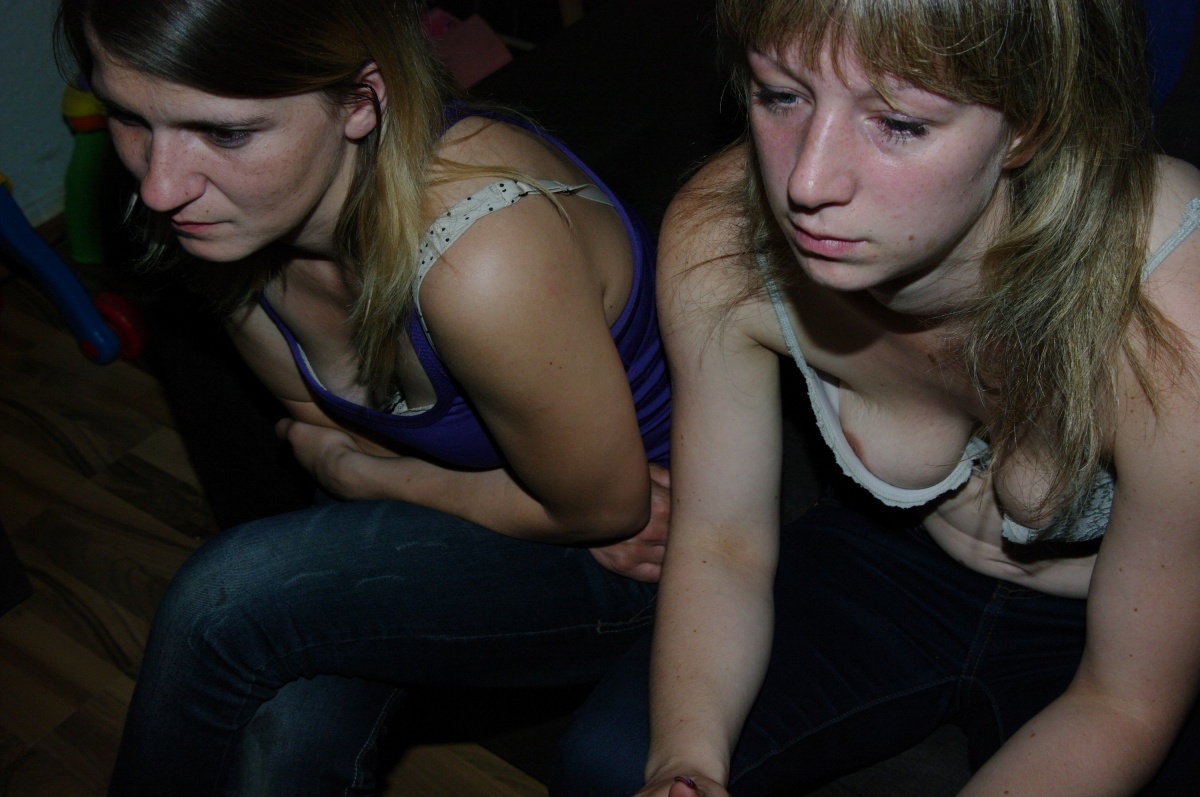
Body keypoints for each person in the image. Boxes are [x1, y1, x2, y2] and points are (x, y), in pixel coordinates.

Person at [552, 0, 1200, 795]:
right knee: (610, 766)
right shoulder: (725, 238)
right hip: (890, 558)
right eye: (781, 95)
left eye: (898, 122)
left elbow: (1124, 701)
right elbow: (723, 540)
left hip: (1118, 620)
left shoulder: (1172, 312)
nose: (806, 181)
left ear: (1028, 125)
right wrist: (682, 766)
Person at [55, 0, 672, 793]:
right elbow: (322, 420)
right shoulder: (233, 221)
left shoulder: (483, 255)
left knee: (226, 601)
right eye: (129, 116)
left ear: (360, 100)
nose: (159, 186)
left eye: (226, 133)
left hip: (636, 552)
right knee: (280, 741)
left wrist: (352, 475)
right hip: (485, 501)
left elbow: (605, 508)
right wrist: (354, 463)